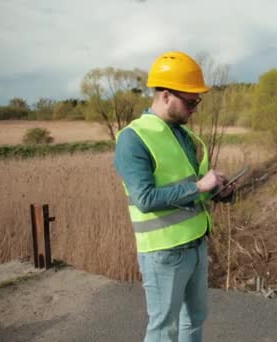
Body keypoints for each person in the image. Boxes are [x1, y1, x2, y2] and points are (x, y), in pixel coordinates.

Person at [114, 51, 233, 342]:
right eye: (190, 102)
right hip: (164, 253)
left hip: (195, 245)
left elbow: (192, 189)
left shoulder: (182, 134)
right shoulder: (133, 138)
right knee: (164, 328)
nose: (195, 109)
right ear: (166, 95)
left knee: (194, 320)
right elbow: (145, 198)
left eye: (197, 102)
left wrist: (220, 192)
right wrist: (200, 187)